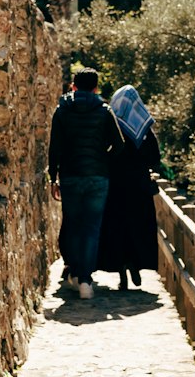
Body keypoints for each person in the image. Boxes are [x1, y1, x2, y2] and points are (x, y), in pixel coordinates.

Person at [48, 67, 122, 299]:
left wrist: (53, 178)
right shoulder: (104, 111)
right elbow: (118, 145)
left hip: (70, 176)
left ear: (73, 86)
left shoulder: (62, 111)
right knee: (91, 229)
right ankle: (86, 280)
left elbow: (55, 148)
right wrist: (102, 158)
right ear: (96, 87)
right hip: (97, 177)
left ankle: (76, 272)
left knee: (72, 224)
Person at [97, 85, 161, 291]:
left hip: (115, 186)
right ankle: (136, 262)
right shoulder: (143, 128)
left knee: (117, 227)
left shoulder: (110, 124)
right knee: (138, 225)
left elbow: (104, 152)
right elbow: (155, 158)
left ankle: (121, 268)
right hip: (139, 187)